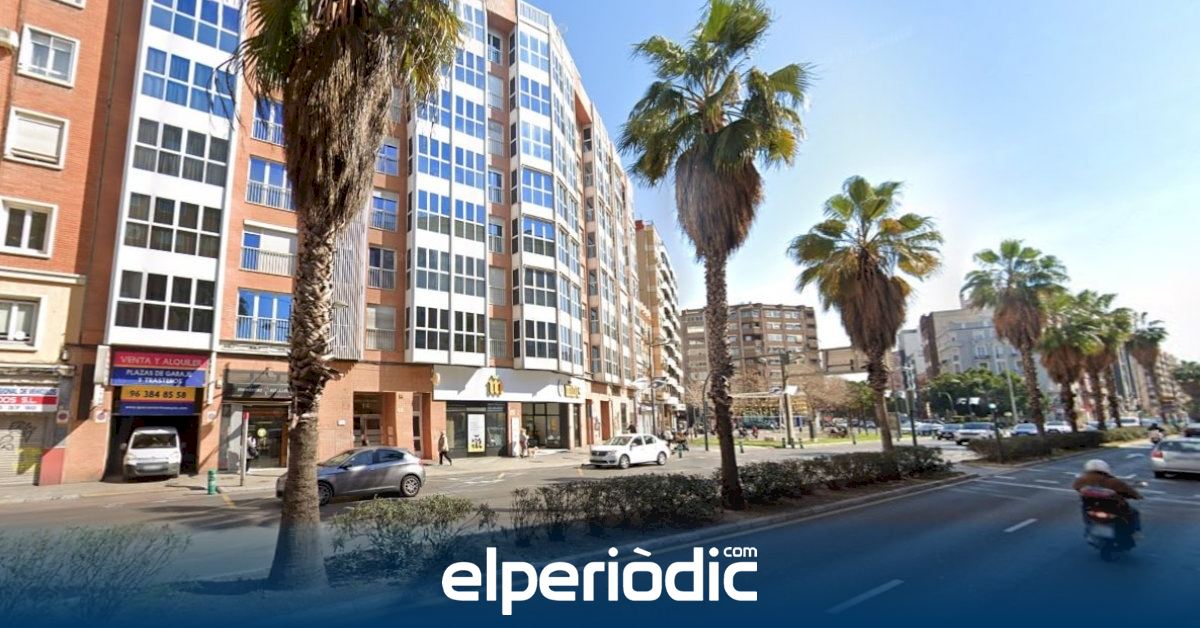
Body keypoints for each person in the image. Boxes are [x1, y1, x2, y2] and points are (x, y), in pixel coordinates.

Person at [1072, 459, 1142, 532]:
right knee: (1134, 512)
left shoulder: (1082, 479)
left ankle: (1088, 525)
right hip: (1113, 508)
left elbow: (1075, 487)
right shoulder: (1114, 481)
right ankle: (1135, 532)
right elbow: (1132, 493)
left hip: (1091, 507)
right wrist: (1137, 496)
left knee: (1084, 509)